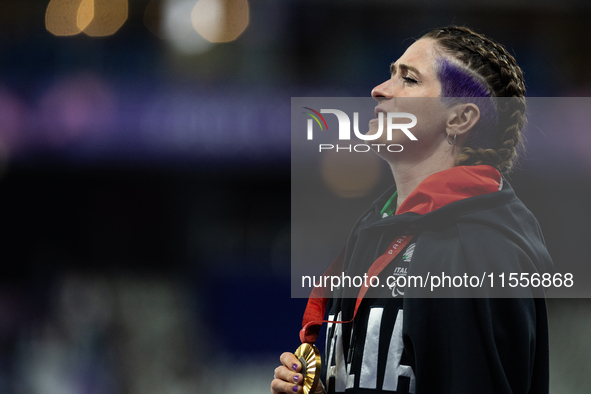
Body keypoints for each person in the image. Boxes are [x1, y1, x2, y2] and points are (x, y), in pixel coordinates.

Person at [272, 25, 553, 394]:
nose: (380, 89)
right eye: (391, 73)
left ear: (459, 119)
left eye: (408, 79)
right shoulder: (375, 232)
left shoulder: (479, 248)